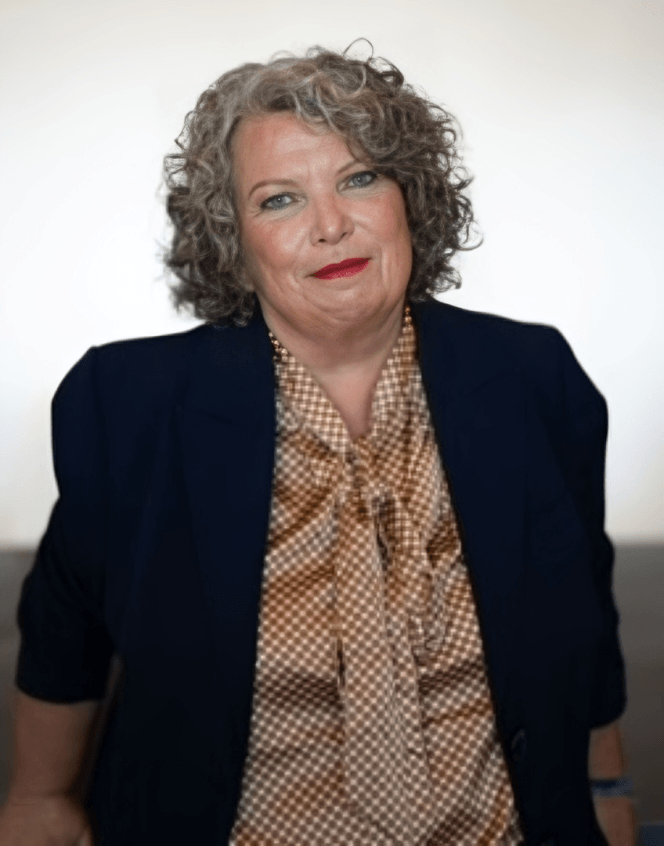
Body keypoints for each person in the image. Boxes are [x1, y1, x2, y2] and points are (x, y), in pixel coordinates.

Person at [0, 45, 636, 846]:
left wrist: (605, 783)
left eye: (361, 178)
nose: (331, 226)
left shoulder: (531, 374)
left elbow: (586, 595)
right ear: (233, 238)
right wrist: (39, 800)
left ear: (412, 196)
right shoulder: (129, 404)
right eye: (280, 200)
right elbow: (67, 626)